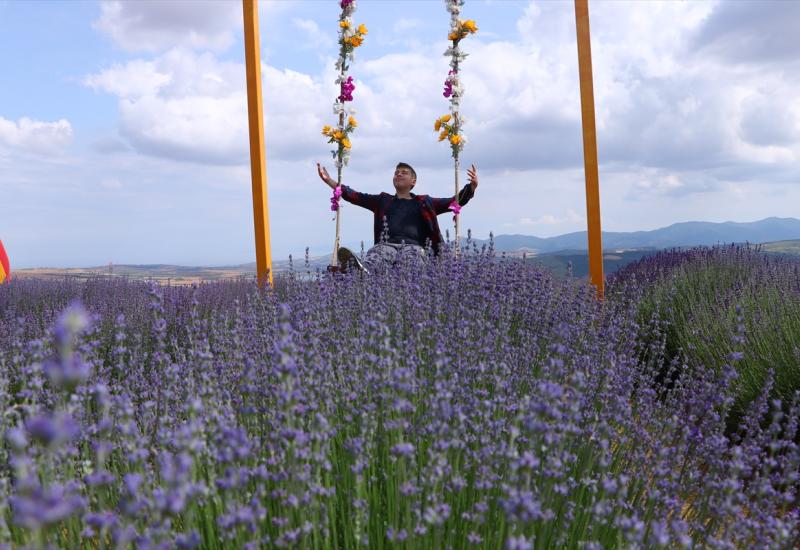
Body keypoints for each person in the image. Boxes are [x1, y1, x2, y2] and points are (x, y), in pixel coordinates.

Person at [316, 161, 479, 273]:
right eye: (396, 173)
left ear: (413, 181)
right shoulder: (382, 201)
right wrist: (330, 181)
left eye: (404, 173)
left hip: (414, 247)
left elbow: (454, 201)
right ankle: (362, 271)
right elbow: (354, 195)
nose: (398, 174)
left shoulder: (425, 202)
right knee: (376, 258)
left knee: (411, 265)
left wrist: (471, 187)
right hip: (387, 245)